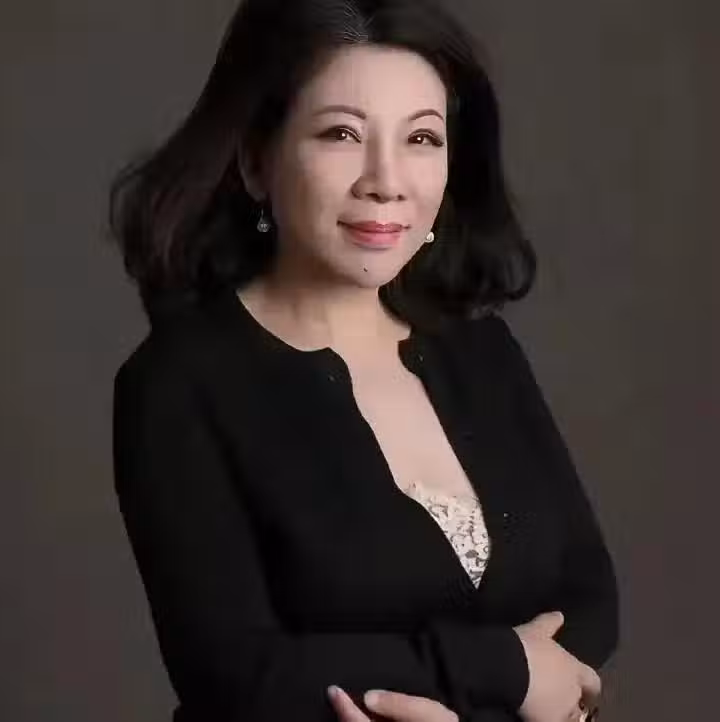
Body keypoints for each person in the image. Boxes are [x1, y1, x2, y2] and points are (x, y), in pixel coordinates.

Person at [108, 1, 619, 721]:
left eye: (421, 138)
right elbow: (236, 674)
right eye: (342, 133)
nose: (387, 180)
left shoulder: (483, 352)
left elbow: (590, 599)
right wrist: (502, 669)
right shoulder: (178, 384)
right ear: (256, 161)